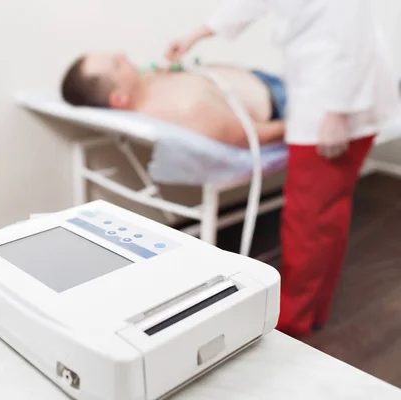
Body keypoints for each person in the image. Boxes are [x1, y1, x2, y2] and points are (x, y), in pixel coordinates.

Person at [165, 0, 399, 338]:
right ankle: (313, 311)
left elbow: (353, 36)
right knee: (325, 213)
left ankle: (292, 323)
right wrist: (198, 33)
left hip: (335, 101)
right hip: (321, 87)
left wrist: (337, 112)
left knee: (309, 219)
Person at [60, 52, 287, 148]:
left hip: (263, 79)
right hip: (281, 101)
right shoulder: (184, 111)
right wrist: (301, 127)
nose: (122, 54)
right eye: (117, 64)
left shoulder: (145, 84)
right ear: (119, 99)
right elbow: (252, 136)